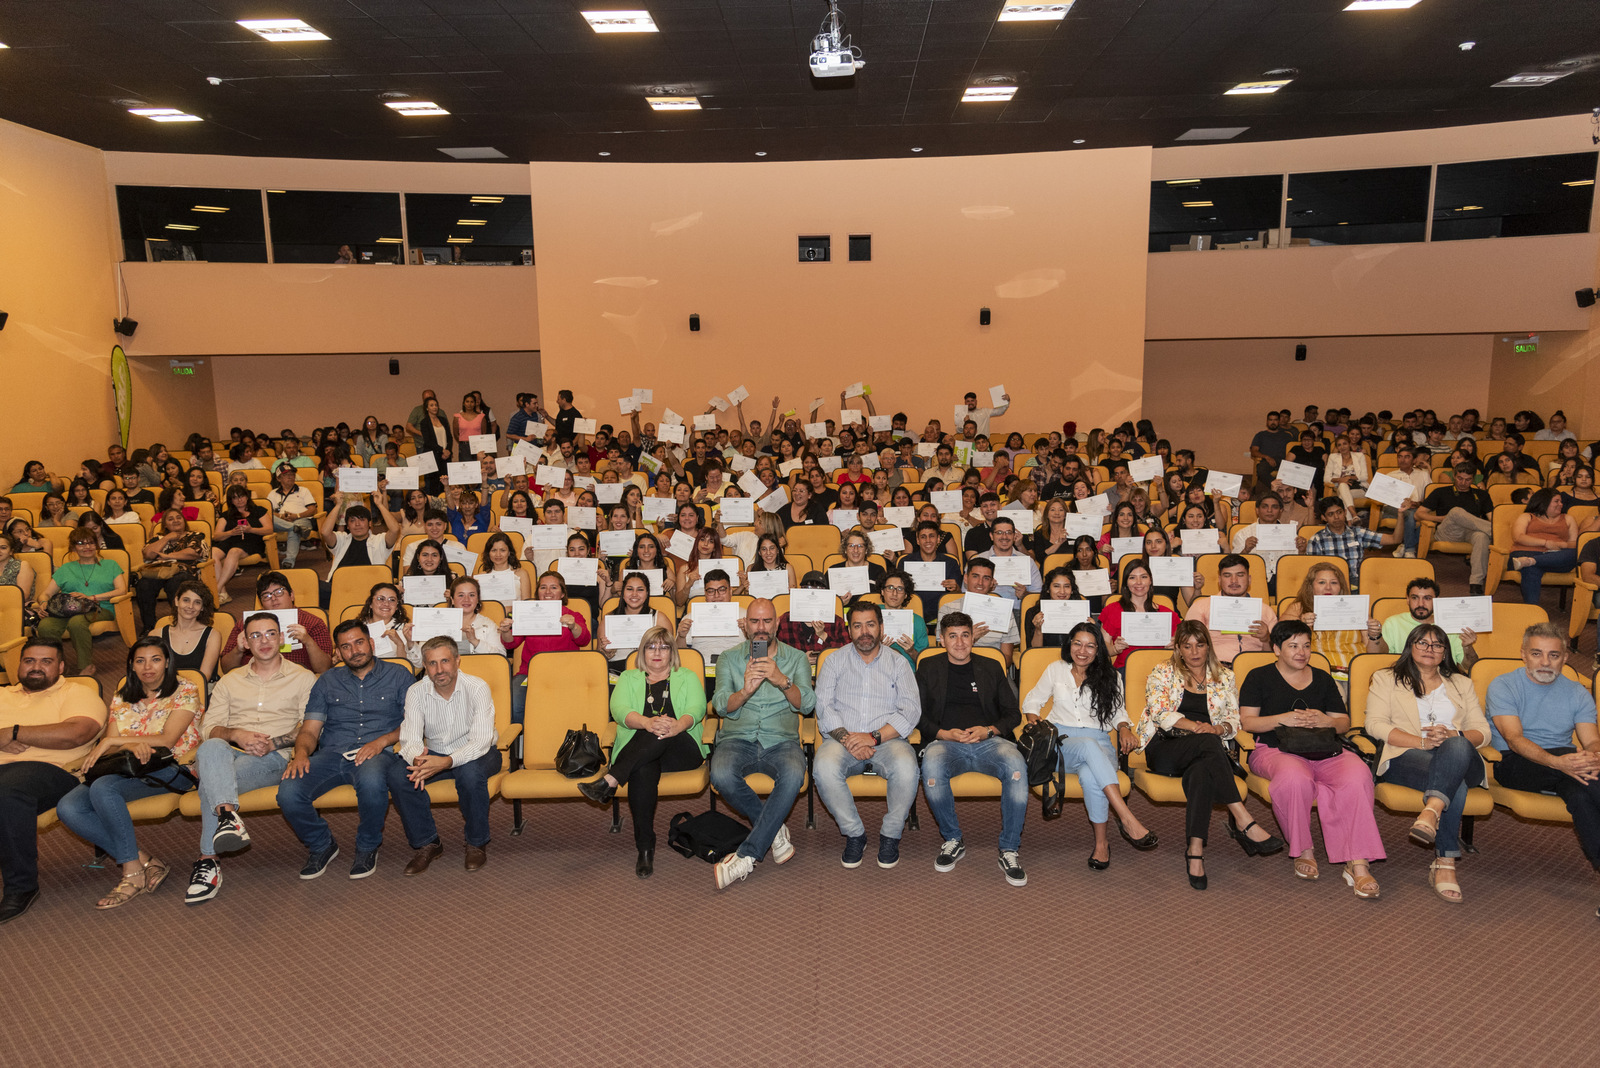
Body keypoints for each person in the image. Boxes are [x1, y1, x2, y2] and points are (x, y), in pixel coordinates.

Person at [1238, 620, 1385, 897]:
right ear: (1277, 649)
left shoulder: (1323, 678)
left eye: (1306, 645)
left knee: (1358, 775)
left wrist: (1324, 720)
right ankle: (1304, 849)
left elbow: (1344, 723)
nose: (1301, 652)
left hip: (1325, 749)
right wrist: (1283, 719)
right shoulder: (1259, 677)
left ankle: (1359, 865)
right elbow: (1247, 723)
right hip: (1275, 750)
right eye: (1293, 646)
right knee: (1295, 778)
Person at [56, 637, 202, 909]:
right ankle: (145, 861)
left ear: (167, 662)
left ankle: (131, 874)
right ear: (132, 666)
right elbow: (113, 749)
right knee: (68, 807)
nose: (148, 667)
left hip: (173, 768)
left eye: (156, 659)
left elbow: (168, 739)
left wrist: (114, 742)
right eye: (140, 660)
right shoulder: (123, 695)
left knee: (103, 789)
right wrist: (126, 744)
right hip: (126, 770)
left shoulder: (185, 689)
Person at [1136, 621, 1282, 889]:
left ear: (1208, 647)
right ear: (1178, 649)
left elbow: (1232, 719)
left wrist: (1218, 728)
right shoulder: (1163, 671)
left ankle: (1195, 852)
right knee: (1208, 743)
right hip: (1167, 748)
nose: (1194, 651)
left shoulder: (1224, 676)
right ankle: (1243, 818)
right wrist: (1198, 728)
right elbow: (1159, 712)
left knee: (1203, 773)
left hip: (1207, 753)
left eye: (1200, 645)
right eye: (1187, 645)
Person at [184, 612, 315, 904]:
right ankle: (228, 818)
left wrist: (273, 744)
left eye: (270, 634)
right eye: (255, 635)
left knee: (210, 784)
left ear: (281, 639)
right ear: (245, 641)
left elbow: (310, 727)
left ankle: (208, 860)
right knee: (210, 749)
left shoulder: (303, 678)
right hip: (230, 752)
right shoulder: (230, 681)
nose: (264, 641)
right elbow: (209, 730)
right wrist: (237, 734)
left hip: (276, 758)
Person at [1364, 624, 1490, 904]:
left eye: (1437, 645)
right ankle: (1445, 862)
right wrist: (1420, 742)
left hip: (1460, 757)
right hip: (1407, 755)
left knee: (1456, 744)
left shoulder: (1462, 683)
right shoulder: (1386, 679)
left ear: (1446, 652)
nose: (1430, 649)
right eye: (1422, 643)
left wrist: (1452, 735)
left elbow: (1483, 731)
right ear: (1410, 646)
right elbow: (1374, 725)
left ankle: (1431, 811)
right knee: (1451, 784)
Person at [277, 621, 412, 880]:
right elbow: (310, 730)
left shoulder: (399, 675)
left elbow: (413, 724)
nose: (355, 651)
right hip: (331, 754)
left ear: (371, 643)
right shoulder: (327, 681)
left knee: (372, 782)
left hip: (376, 752)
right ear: (338, 652)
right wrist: (301, 754)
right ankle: (321, 844)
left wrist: (381, 742)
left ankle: (367, 845)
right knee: (289, 791)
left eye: (359, 642)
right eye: (346, 647)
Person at [1021, 623, 1156, 869]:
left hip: (1099, 740)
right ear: (1069, 645)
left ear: (1098, 650)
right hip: (1062, 743)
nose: (1082, 650)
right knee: (1087, 746)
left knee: (1091, 776)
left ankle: (1101, 844)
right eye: (1077, 643)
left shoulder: (1111, 676)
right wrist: (1037, 726)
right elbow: (1032, 701)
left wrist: (1125, 727)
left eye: (1090, 645)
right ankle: (1126, 817)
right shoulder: (1056, 670)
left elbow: (1118, 712)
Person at [577, 627, 708, 878]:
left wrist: (677, 725)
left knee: (660, 731)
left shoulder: (687, 676)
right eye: (651, 647)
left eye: (664, 647)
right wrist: (647, 722)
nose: (657, 652)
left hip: (681, 748)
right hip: (641, 754)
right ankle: (645, 848)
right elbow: (618, 710)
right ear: (642, 651)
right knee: (643, 769)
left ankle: (611, 780)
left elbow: (698, 707)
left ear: (672, 651)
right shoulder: (628, 677)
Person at [1486, 622, 1600, 911]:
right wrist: (1559, 762)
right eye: (1537, 654)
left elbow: (1592, 741)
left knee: (1581, 796)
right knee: (1582, 774)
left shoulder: (1577, 692)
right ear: (1523, 654)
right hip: (1515, 764)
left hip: (1568, 766)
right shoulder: (1503, 685)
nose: (1545, 662)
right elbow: (1513, 739)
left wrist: (1594, 757)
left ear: (1565, 657)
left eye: (1553, 655)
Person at [708, 597, 814, 890]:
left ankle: (747, 854)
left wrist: (782, 681)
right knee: (720, 774)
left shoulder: (796, 658)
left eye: (767, 621)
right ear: (745, 625)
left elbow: (806, 705)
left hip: (781, 740)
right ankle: (774, 831)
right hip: (737, 737)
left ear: (777, 623)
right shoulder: (729, 658)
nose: (761, 628)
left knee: (794, 774)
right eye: (754, 621)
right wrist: (744, 691)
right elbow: (720, 705)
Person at [0, 639, 109, 923]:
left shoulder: (78, 692)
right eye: (29, 661)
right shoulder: (3, 695)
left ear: (61, 667)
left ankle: (21, 887)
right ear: (19, 665)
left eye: (45, 661)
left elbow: (76, 733)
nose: (36, 667)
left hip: (54, 771)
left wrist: (13, 732)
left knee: (6, 792)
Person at [915, 612, 1028, 885]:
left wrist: (988, 730)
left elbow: (1013, 714)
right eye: (952, 636)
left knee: (1016, 767)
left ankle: (1009, 848)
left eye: (965, 635)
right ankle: (953, 839)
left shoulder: (991, 667)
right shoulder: (928, 667)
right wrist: (943, 733)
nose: (960, 642)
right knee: (930, 770)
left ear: (973, 637)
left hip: (989, 742)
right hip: (945, 743)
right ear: (941, 640)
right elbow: (915, 713)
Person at [812, 601, 922, 870]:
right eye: (858, 626)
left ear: (881, 627)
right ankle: (855, 834)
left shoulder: (899, 662)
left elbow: (911, 710)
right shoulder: (834, 660)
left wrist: (873, 737)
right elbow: (823, 706)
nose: (864, 632)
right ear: (849, 630)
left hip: (887, 739)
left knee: (908, 768)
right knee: (823, 768)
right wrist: (849, 738)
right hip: (842, 739)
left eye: (870, 624)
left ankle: (890, 835)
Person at [386, 636, 501, 874]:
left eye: (445, 661)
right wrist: (419, 760)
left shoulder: (477, 687)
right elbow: (410, 737)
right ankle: (427, 843)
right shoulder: (416, 692)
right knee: (399, 775)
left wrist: (446, 762)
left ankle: (476, 842)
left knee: (470, 774)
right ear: (425, 667)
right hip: (435, 751)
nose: (440, 670)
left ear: (458, 661)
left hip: (478, 751)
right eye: (432, 663)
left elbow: (480, 741)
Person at [34, 527, 127, 676]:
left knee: (77, 622)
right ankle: (58, 665)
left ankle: (86, 665)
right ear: (73, 547)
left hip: (100, 608)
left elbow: (121, 590)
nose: (87, 547)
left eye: (90, 543)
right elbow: (45, 593)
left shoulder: (111, 565)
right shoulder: (66, 568)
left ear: (96, 544)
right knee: (45, 626)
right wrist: (44, 603)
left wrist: (91, 597)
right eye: (81, 543)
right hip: (68, 610)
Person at [501, 571, 589, 723]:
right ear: (538, 592)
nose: (548, 592)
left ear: (562, 593)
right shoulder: (527, 613)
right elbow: (511, 643)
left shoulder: (572, 615)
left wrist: (573, 626)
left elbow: (584, 639)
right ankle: (523, 740)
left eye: (554, 587)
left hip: (566, 672)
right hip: (529, 673)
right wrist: (505, 631)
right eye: (543, 587)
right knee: (514, 705)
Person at [217, 571, 333, 674]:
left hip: (296, 683)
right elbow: (227, 669)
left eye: (279, 592)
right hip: (254, 684)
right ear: (261, 602)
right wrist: (239, 649)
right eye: (266, 596)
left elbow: (323, 668)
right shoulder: (246, 624)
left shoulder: (312, 623)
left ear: (291, 595)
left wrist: (308, 641)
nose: (273, 599)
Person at [1278, 561, 1378, 675]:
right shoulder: (1298, 608)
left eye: (1334, 582)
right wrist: (1301, 625)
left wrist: (1375, 635)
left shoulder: (1356, 608)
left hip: (1356, 673)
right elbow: (1280, 642)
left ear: (1340, 587)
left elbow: (1376, 654)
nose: (1328, 588)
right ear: (1311, 586)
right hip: (1317, 673)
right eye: (1321, 582)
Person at [1414, 462, 1494, 595]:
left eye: (1468, 480)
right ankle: (1498, 534)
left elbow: (1492, 518)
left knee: (1482, 537)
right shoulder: (1440, 492)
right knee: (1456, 511)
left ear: (1473, 479)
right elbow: (1418, 514)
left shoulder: (1482, 495)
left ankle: (1476, 583)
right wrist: (1441, 519)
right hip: (1447, 531)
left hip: (1471, 532)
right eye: (1460, 478)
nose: (1463, 483)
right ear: (1454, 477)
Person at [1183, 553, 1277, 666]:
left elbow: (1274, 657)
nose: (1234, 581)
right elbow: (1188, 647)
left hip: (1255, 667)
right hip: (1214, 667)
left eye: (1240, 575)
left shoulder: (1265, 611)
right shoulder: (1201, 606)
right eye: (1227, 575)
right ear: (1219, 580)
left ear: (1249, 579)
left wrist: (1266, 639)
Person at [937, 559, 1021, 669]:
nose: (980, 583)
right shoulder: (948, 609)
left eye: (986, 578)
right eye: (975, 576)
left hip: (992, 670)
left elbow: (1007, 658)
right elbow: (943, 651)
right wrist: (970, 639)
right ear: (966, 578)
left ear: (992, 583)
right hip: (956, 668)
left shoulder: (1004, 611)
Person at [1373, 576, 1476, 666]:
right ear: (1407, 599)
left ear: (1436, 600)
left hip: (1443, 679)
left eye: (1427, 598)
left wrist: (1467, 647)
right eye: (1415, 598)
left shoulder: (1451, 624)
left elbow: (1469, 666)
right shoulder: (1393, 623)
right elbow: (1379, 659)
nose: (1420, 604)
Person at [1306, 496, 1401, 592]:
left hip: (1356, 584)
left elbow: (1394, 539)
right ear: (1323, 518)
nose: (1336, 517)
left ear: (1345, 512)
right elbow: (1312, 575)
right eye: (1331, 514)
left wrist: (1401, 514)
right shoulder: (1316, 540)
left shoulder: (1358, 533)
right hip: (1330, 587)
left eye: (1339, 512)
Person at [135, 507, 207, 630]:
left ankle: (180, 623)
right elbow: (148, 554)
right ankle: (149, 626)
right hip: (159, 572)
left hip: (185, 571)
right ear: (165, 524)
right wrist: (166, 538)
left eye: (179, 518)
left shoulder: (195, 535)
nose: (176, 521)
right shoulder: (158, 538)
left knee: (175, 583)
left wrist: (168, 556)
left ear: (184, 521)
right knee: (143, 584)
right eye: (170, 519)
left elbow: (194, 552)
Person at [1099, 558, 1178, 669]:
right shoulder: (1112, 610)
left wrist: (1175, 647)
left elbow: (1182, 650)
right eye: (1132, 578)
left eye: (1144, 577)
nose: (1139, 582)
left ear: (1150, 580)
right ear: (1126, 582)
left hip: (1160, 671)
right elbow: (1103, 648)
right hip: (1126, 669)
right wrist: (1115, 648)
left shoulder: (1168, 614)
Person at [1507, 488, 1578, 604]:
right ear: (1544, 501)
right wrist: (1545, 543)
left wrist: (1560, 544)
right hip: (1525, 552)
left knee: (1575, 554)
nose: (1561, 504)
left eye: (1561, 501)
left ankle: (1531, 561)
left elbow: (1575, 543)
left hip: (1555, 558)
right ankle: (1532, 610)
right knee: (1531, 569)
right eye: (1556, 501)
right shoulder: (1527, 516)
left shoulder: (1568, 519)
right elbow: (1518, 537)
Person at [211, 484, 272, 598]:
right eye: (234, 497)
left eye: (241, 496)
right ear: (231, 501)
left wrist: (251, 529)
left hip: (252, 541)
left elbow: (269, 530)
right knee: (213, 552)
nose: (239, 500)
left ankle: (217, 589)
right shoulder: (226, 515)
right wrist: (231, 532)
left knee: (234, 551)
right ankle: (223, 592)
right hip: (230, 540)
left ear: (247, 496)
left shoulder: (258, 510)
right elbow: (216, 536)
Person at [265, 463, 317, 568]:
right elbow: (269, 512)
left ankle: (289, 561)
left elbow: (313, 510)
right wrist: (281, 517)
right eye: (286, 474)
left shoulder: (303, 490)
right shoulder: (273, 493)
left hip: (301, 519)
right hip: (280, 522)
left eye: (292, 474)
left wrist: (296, 516)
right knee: (267, 517)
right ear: (279, 478)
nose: (290, 476)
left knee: (294, 530)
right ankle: (296, 528)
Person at [879, 569, 930, 666]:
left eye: (900, 589)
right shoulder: (871, 614)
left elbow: (925, 664)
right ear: (882, 591)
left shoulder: (918, 621)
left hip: (908, 672)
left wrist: (911, 651)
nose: (894, 593)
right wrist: (877, 648)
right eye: (890, 588)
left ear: (906, 595)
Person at [1249, 411, 1294, 489]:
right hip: (1266, 461)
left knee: (1296, 470)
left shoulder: (1286, 435)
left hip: (1284, 461)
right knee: (1261, 470)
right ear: (1267, 422)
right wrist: (1267, 457)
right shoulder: (1260, 435)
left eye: (1275, 420)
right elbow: (1254, 451)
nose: (1273, 422)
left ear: (1279, 421)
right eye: (1270, 420)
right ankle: (1278, 487)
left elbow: (1293, 450)